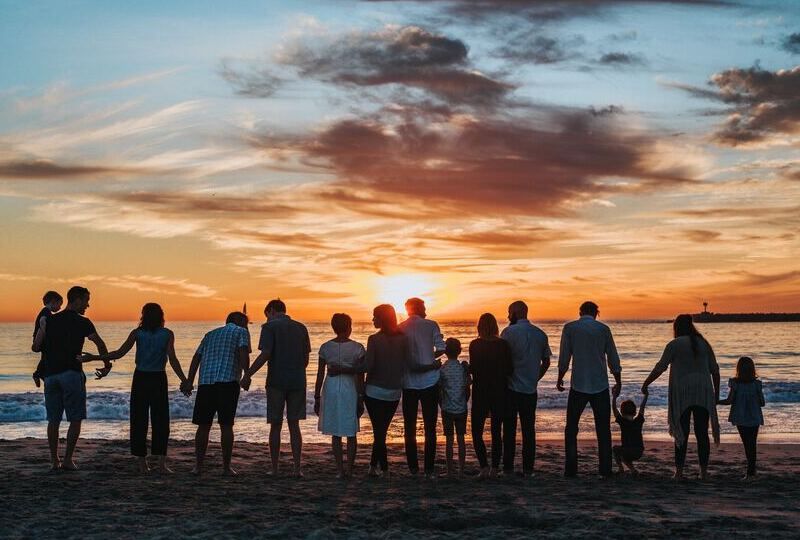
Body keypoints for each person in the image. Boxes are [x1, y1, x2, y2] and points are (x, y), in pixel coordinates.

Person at [80, 303, 189, 473]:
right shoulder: (167, 334)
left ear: (143, 316)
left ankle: (142, 463)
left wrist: (94, 357)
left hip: (141, 378)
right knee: (161, 420)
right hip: (158, 378)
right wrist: (185, 380)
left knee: (139, 420)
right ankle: (161, 464)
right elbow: (173, 359)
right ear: (161, 316)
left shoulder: (138, 333)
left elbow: (119, 353)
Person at [32, 286, 111, 471]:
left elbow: (37, 346)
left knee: (53, 420)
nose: (88, 305)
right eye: (85, 301)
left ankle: (54, 460)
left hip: (51, 375)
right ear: (76, 300)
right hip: (71, 373)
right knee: (75, 418)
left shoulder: (50, 320)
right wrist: (107, 365)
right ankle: (67, 459)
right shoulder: (83, 322)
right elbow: (99, 343)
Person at [641, 314, 720, 480]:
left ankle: (679, 472)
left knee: (681, 431)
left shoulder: (674, 345)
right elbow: (715, 370)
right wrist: (716, 394)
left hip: (682, 392)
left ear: (676, 327)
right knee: (702, 433)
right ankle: (703, 472)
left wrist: (646, 383)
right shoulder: (704, 343)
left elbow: (660, 368)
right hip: (703, 391)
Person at [241, 299, 311, 477]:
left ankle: (274, 468)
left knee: (276, 425)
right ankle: (297, 468)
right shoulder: (301, 327)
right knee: (294, 425)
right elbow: (305, 360)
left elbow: (265, 353)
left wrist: (248, 373)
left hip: (276, 381)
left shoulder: (269, 328)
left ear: (271, 311)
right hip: (297, 380)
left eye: (267, 315)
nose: (267, 319)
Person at [557, 301, 621, 478]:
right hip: (599, 384)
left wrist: (560, 377)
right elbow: (613, 358)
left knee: (571, 428)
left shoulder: (570, 328)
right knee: (603, 429)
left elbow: (565, 356)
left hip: (578, 384)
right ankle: (605, 470)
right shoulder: (603, 329)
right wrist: (618, 380)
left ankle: (571, 470)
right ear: (596, 313)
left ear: (580, 312)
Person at [183, 311, 250, 476]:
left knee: (203, 426)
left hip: (206, 382)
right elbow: (243, 351)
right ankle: (226, 467)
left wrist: (189, 381)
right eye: (246, 322)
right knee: (226, 425)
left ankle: (198, 466)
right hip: (227, 382)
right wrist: (247, 374)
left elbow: (196, 358)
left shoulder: (210, 334)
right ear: (239, 321)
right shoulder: (241, 332)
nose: (247, 325)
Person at [500, 301, 551, 477]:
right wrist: (536, 377)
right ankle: (528, 469)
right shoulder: (540, 334)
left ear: (516, 312)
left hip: (511, 388)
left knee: (509, 430)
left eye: (509, 312)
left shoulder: (508, 332)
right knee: (529, 430)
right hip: (530, 388)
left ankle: (508, 468)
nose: (508, 316)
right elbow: (546, 361)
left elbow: (502, 359)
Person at [313, 313, 365, 478]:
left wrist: (316, 397)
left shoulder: (325, 347)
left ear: (333, 327)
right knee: (351, 431)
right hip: (350, 388)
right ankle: (349, 469)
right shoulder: (358, 348)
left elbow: (320, 374)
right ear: (349, 327)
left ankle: (340, 471)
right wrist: (361, 397)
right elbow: (360, 375)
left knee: (336, 432)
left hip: (331, 388)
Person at [363, 304, 409, 477]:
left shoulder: (373, 340)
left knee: (379, 431)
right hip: (394, 391)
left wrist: (351, 366)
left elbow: (369, 366)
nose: (372, 319)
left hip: (374, 391)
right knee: (381, 431)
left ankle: (383, 468)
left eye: (374, 316)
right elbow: (407, 363)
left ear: (382, 318)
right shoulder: (403, 339)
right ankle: (374, 467)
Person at [469, 313, 513, 478]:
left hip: (481, 391)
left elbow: (473, 369)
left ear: (479, 327)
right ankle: (495, 468)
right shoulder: (503, 345)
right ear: (495, 326)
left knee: (477, 431)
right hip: (500, 391)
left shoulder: (475, 344)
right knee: (496, 432)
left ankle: (484, 467)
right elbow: (510, 369)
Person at [718, 356, 764, 479]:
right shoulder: (757, 384)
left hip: (741, 417)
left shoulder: (735, 383)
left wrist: (716, 401)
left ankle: (750, 473)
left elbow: (729, 401)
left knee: (746, 443)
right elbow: (762, 403)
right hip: (754, 417)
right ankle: (752, 472)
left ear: (739, 369)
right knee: (752, 444)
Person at [439, 338, 470, 478]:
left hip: (447, 408)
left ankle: (450, 471)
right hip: (461, 408)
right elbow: (467, 387)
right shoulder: (463, 369)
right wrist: (464, 401)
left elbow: (440, 390)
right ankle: (462, 470)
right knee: (461, 439)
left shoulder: (442, 369)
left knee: (449, 441)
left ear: (445, 352)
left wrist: (442, 404)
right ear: (459, 351)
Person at [32, 290, 63, 388]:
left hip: (42, 338)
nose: (60, 307)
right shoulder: (46, 311)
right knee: (46, 356)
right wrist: (44, 332)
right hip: (42, 339)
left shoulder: (46, 312)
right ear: (53, 302)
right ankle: (38, 374)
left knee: (45, 357)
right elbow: (42, 321)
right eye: (59, 304)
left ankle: (39, 374)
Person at [612, 393, 647, 475]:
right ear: (635, 412)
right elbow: (642, 407)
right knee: (624, 454)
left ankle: (622, 468)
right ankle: (632, 470)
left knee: (616, 450)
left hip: (627, 451)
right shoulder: (639, 421)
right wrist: (646, 396)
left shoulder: (622, 422)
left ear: (622, 413)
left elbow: (614, 409)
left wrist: (614, 397)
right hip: (639, 451)